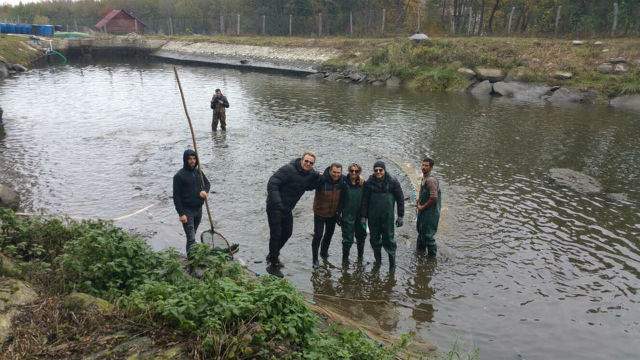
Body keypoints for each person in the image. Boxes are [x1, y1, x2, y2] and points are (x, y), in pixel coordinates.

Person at [266, 151, 321, 269]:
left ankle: (272, 255)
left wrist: (321, 178)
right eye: (306, 161)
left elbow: (309, 186)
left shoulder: (310, 174)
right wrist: (277, 202)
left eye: (311, 163)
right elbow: (272, 183)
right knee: (276, 234)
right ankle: (273, 263)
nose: (308, 163)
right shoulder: (288, 169)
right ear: (301, 160)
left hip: (287, 208)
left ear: (313, 164)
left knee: (287, 232)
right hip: (274, 206)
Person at [361, 161, 404, 269]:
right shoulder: (369, 183)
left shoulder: (393, 181)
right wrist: (363, 216)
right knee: (374, 240)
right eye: (376, 170)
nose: (378, 172)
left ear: (384, 170)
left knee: (389, 239)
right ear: (374, 171)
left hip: (387, 217)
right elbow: (365, 200)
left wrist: (400, 216)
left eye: (381, 170)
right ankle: (378, 261)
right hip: (373, 217)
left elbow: (400, 199)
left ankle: (392, 265)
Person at [172, 149, 210, 258]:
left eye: (194, 158)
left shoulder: (198, 172)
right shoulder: (179, 176)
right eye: (189, 159)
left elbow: (207, 184)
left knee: (192, 234)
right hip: (187, 211)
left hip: (198, 209)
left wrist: (205, 192)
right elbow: (176, 197)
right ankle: (192, 260)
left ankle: (193, 257)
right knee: (191, 238)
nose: (192, 161)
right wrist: (181, 214)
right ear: (185, 160)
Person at [311, 163, 344, 268]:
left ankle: (324, 253)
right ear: (330, 171)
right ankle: (315, 259)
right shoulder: (321, 179)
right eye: (334, 172)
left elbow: (354, 179)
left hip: (333, 214)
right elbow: (308, 182)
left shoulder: (343, 180)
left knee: (329, 234)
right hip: (320, 213)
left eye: (338, 172)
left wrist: (339, 212)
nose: (336, 174)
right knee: (318, 235)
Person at [339, 163, 367, 264]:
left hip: (360, 216)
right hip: (347, 215)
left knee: (361, 237)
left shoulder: (364, 183)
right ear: (348, 171)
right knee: (347, 239)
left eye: (356, 171)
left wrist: (365, 215)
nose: (354, 173)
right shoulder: (343, 182)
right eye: (352, 171)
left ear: (360, 172)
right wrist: (338, 214)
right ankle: (345, 259)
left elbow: (366, 200)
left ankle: (360, 258)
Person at [416, 157, 441, 257]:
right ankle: (420, 253)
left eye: (426, 166)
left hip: (430, 213)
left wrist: (422, 207)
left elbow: (434, 197)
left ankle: (431, 260)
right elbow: (425, 193)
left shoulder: (430, 180)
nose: (424, 167)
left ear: (431, 168)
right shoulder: (424, 178)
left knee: (428, 236)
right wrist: (419, 200)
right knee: (421, 231)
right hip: (424, 211)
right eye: (423, 165)